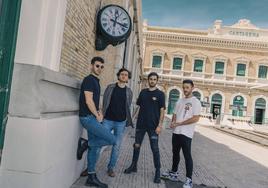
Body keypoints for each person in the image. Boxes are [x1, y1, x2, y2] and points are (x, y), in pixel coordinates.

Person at [78, 56, 116, 188]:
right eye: (97, 65)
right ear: (91, 66)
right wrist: (96, 115)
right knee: (112, 139)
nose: (99, 68)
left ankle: (91, 176)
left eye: (101, 67)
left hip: (93, 117)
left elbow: (94, 100)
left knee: (95, 148)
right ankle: (86, 143)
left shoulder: (96, 81)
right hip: (87, 118)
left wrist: (99, 111)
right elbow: (88, 100)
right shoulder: (89, 80)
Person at [124, 72, 165, 184]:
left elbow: (162, 111)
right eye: (150, 79)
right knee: (136, 146)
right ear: (148, 80)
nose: (152, 81)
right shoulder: (143, 92)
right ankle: (133, 166)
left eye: (154, 79)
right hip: (141, 125)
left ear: (157, 80)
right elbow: (138, 107)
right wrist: (132, 118)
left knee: (155, 149)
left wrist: (160, 125)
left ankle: (157, 171)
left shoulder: (160, 94)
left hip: (153, 127)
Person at [161, 79, 201, 188]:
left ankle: (189, 180)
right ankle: (174, 173)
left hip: (186, 133)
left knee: (187, 156)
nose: (185, 90)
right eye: (184, 87)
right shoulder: (180, 101)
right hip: (176, 132)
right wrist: (173, 122)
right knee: (175, 153)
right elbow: (174, 113)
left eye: (187, 87)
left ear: (192, 88)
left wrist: (180, 123)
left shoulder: (196, 102)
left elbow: (195, 118)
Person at [102, 68, 133, 177]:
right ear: (118, 76)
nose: (124, 76)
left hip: (121, 122)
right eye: (122, 74)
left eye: (126, 75)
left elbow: (128, 107)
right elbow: (104, 102)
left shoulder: (129, 92)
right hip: (107, 120)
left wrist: (127, 120)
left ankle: (111, 168)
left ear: (128, 78)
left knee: (117, 146)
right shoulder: (110, 87)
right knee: (99, 142)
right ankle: (90, 167)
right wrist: (101, 115)